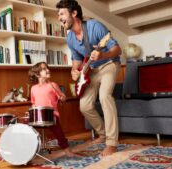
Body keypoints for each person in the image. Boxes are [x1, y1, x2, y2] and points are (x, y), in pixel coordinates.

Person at [56, 0, 122, 156]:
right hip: (91, 69)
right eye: (58, 14)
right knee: (84, 105)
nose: (59, 17)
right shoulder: (70, 38)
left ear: (74, 13)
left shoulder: (95, 26)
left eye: (62, 13)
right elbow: (77, 60)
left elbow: (117, 49)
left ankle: (112, 142)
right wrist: (74, 71)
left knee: (105, 96)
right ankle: (103, 133)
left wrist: (103, 54)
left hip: (109, 64)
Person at [28, 61, 75, 157]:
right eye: (44, 69)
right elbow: (33, 103)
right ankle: (28, 149)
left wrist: (62, 98)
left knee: (58, 132)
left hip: (51, 115)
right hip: (38, 115)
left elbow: (62, 98)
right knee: (27, 128)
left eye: (47, 68)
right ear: (37, 74)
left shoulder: (52, 85)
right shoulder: (33, 88)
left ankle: (66, 149)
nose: (48, 70)